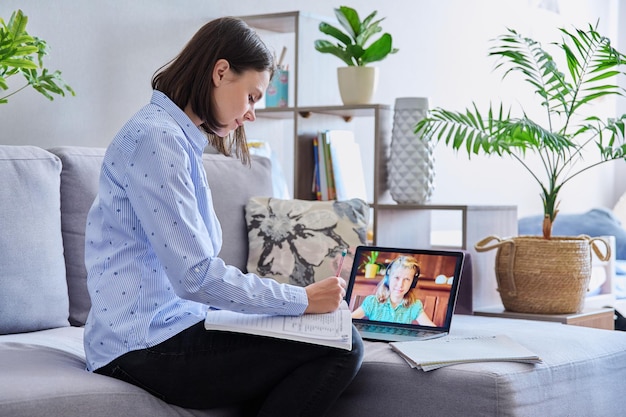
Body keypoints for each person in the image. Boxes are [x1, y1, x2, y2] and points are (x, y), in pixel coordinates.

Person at [83, 16, 363, 417]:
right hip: (142, 346)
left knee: (332, 336)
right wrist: (299, 300)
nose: (252, 114)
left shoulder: (180, 140)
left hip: (167, 332)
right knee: (343, 345)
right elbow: (196, 276)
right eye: (252, 96)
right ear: (220, 72)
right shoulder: (157, 139)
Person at [351, 255, 436, 326]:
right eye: (396, 278)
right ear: (388, 278)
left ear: (413, 283)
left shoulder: (415, 306)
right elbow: (347, 322)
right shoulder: (372, 302)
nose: (400, 284)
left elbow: (433, 330)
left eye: (407, 279)